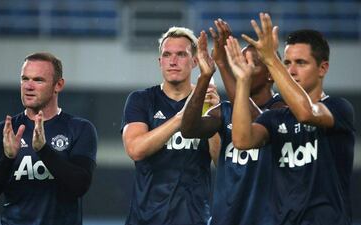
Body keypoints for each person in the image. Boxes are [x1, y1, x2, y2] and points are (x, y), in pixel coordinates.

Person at [229, 13, 355, 224]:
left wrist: (271, 59)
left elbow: (306, 113)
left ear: (322, 68)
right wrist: (242, 81)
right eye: (286, 62)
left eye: (301, 63)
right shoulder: (274, 118)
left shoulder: (339, 108)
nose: (292, 71)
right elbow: (242, 140)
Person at [0, 52, 98, 225]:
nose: (28, 86)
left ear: (58, 85)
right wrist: (8, 159)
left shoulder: (80, 129)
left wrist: (43, 150)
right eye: (25, 79)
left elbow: (79, 186)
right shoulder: (3, 132)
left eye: (38, 80)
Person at [181, 19, 283, 225]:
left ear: (271, 73)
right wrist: (205, 75)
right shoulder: (226, 110)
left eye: (248, 63)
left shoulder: (283, 110)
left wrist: (223, 65)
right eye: (238, 60)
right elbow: (188, 129)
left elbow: (257, 119)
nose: (239, 68)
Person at [121, 26, 220, 225]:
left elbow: (221, 161)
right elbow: (135, 150)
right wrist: (182, 117)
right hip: (145, 218)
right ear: (160, 62)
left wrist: (210, 114)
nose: (173, 61)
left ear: (194, 62)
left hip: (194, 218)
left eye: (181, 54)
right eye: (167, 55)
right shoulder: (141, 100)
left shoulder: (211, 102)